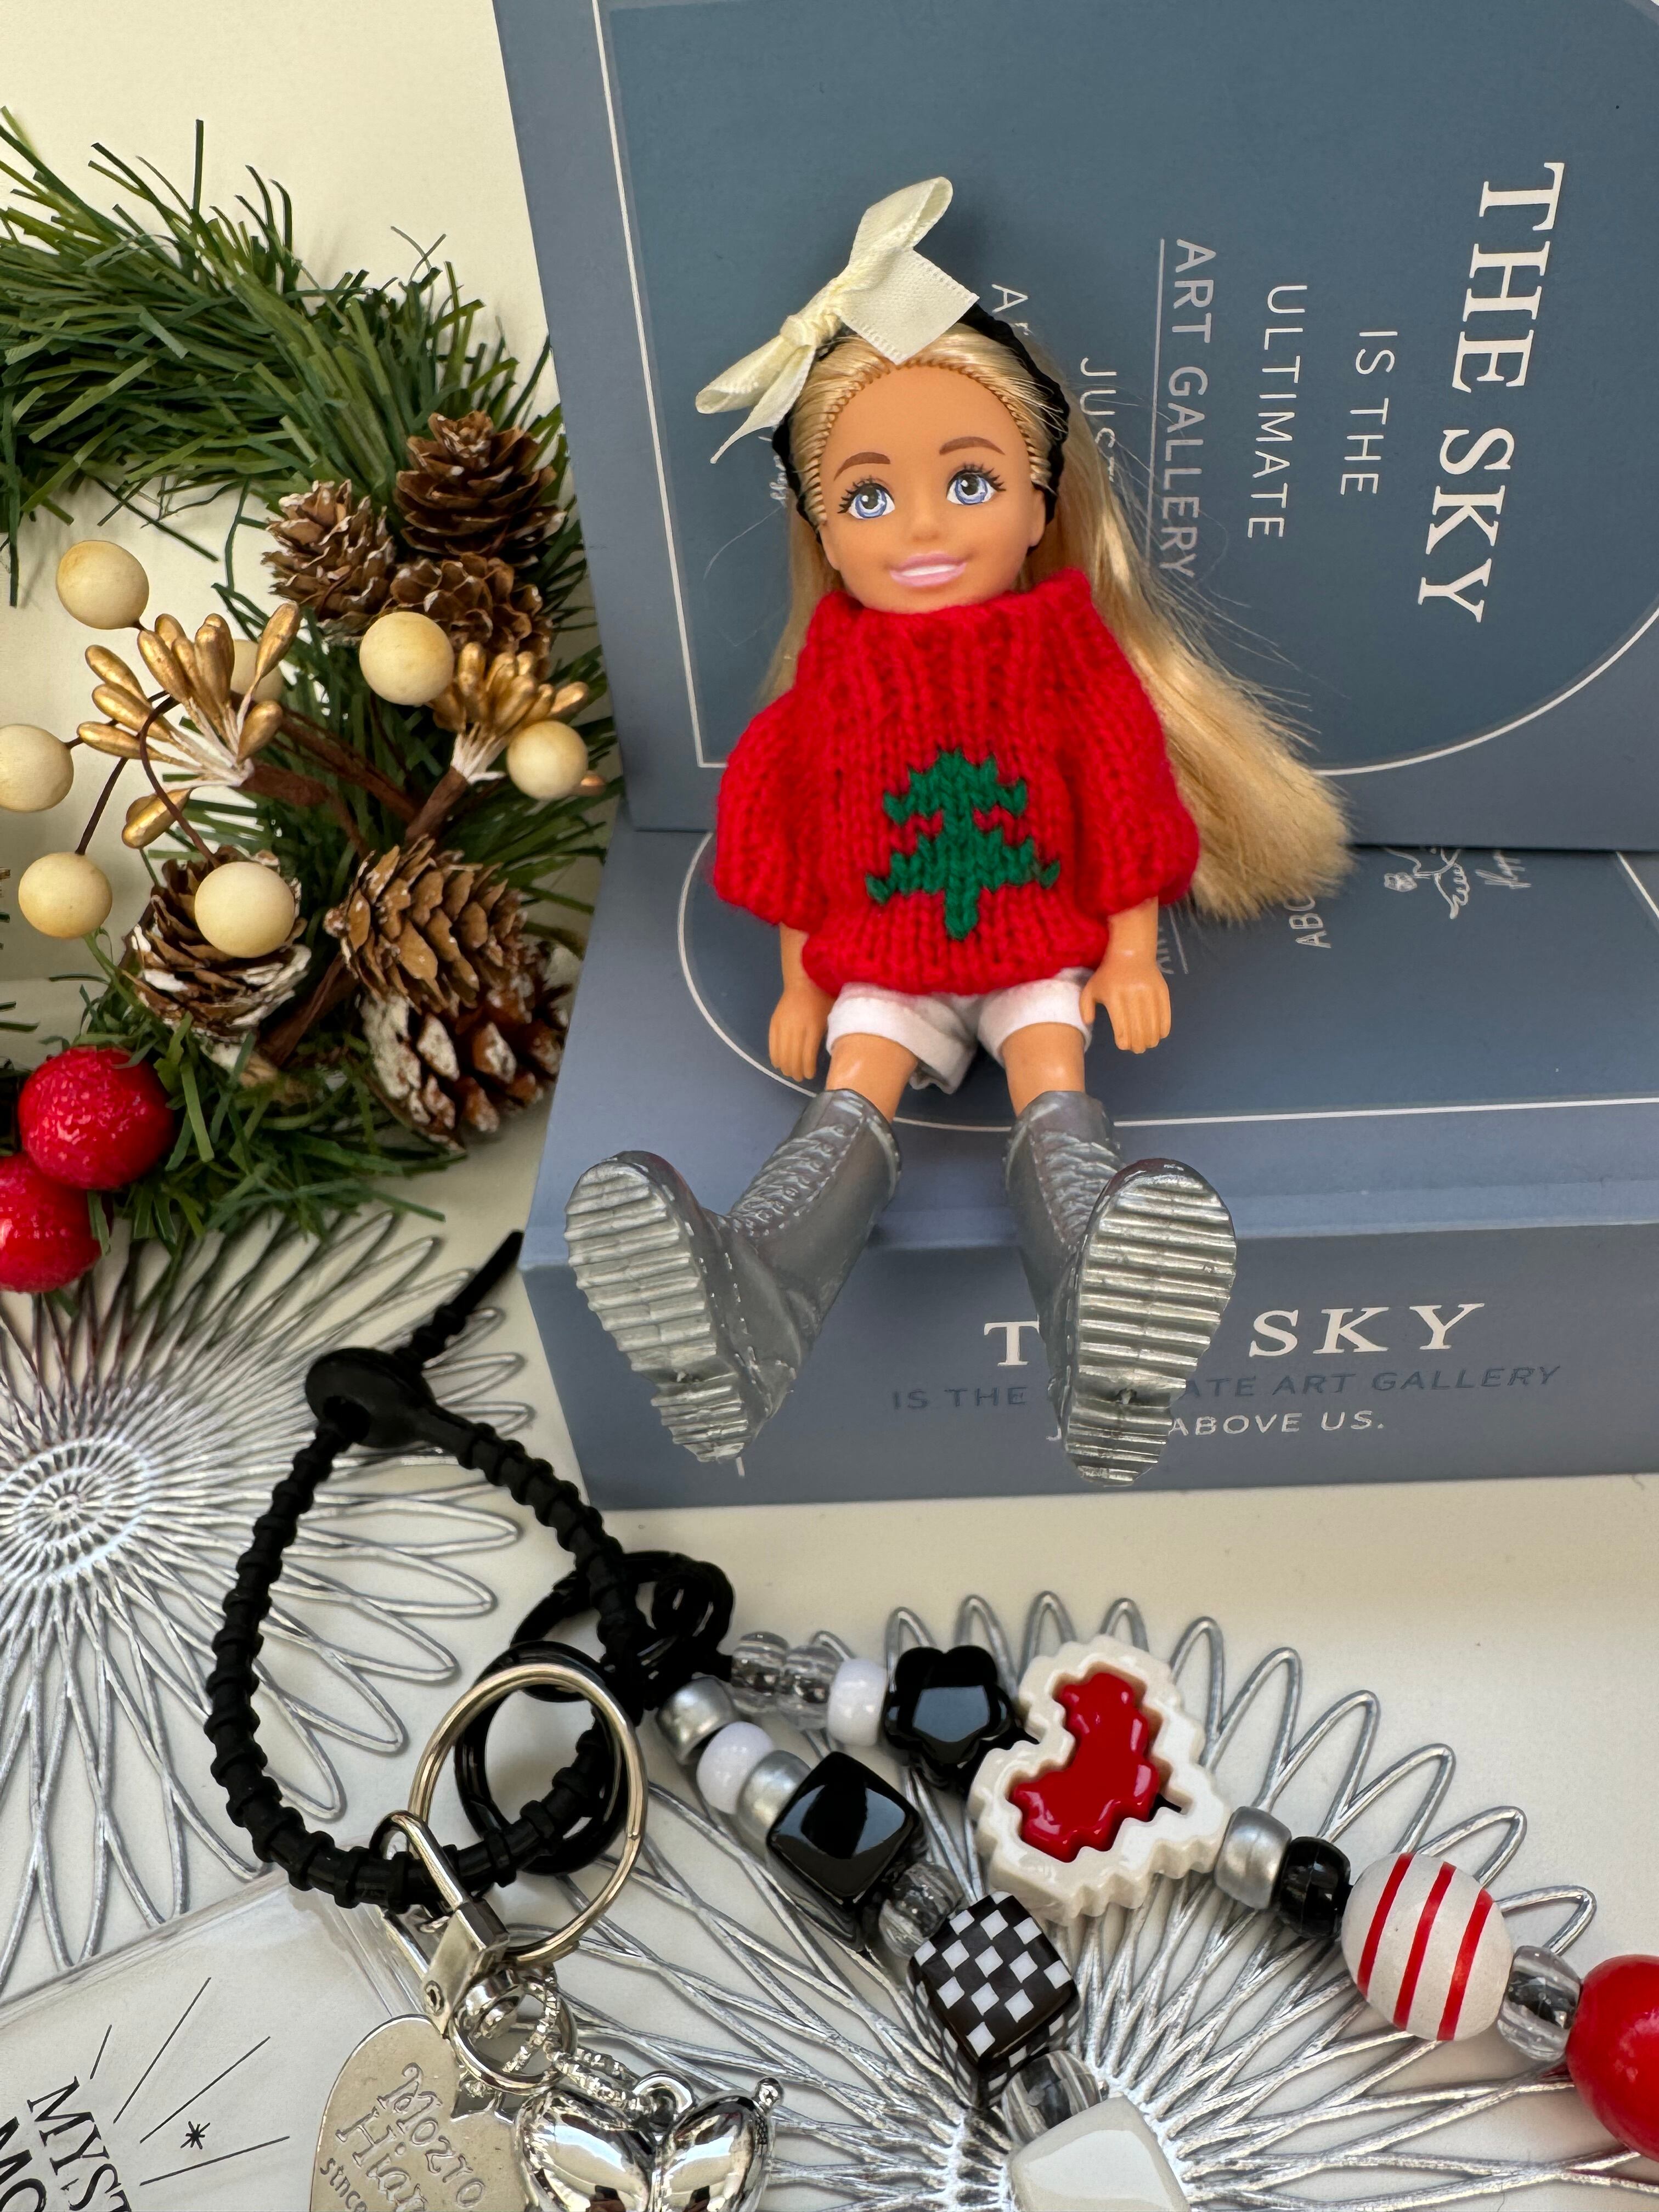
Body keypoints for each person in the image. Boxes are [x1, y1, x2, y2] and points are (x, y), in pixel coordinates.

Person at [565, 180, 1346, 1483]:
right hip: (885, 959)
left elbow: (1123, 799)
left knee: (1054, 1077)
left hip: (1040, 944)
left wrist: (1131, 952)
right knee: (850, 1094)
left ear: (1042, 506)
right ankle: (748, 1296)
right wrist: (801, 982)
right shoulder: (824, 692)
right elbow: (792, 841)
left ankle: (1098, 1299)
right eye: (869, 500)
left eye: (970, 482)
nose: (923, 526)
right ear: (822, 531)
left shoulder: (1071, 661)